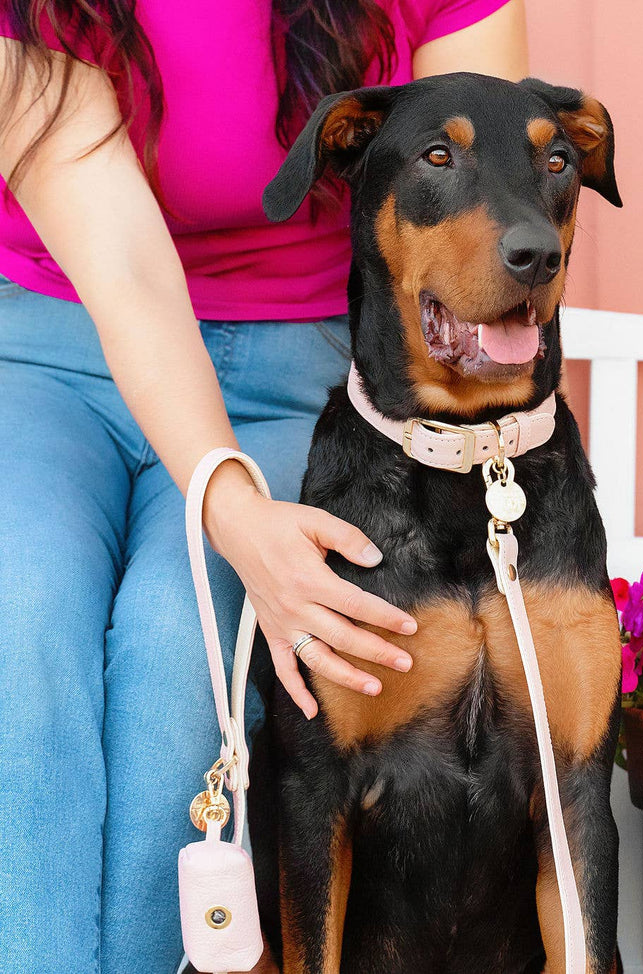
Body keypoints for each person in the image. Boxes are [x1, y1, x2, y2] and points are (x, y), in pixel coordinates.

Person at [0, 2, 528, 970]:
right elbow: (123, 264)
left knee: (184, 634)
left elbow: (488, 208)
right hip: (50, 349)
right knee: (16, 607)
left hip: (307, 375)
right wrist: (232, 506)